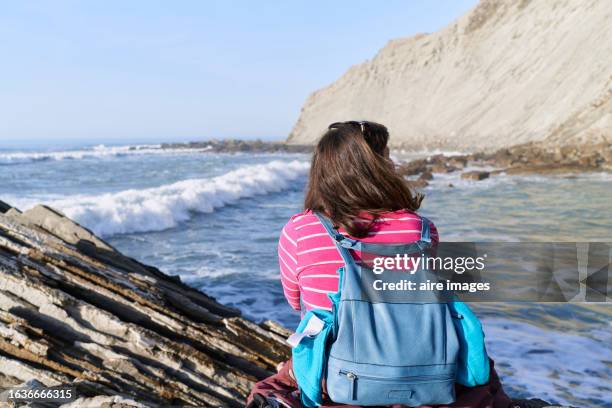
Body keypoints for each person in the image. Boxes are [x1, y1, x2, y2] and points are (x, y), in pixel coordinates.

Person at [247, 121, 512, 408]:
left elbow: (298, 303)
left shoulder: (300, 230)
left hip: (335, 375)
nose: (393, 163)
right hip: (416, 366)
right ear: (376, 168)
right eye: (386, 157)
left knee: (275, 385)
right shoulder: (420, 230)